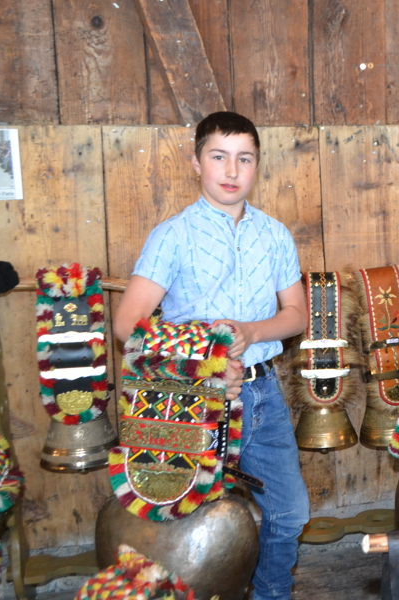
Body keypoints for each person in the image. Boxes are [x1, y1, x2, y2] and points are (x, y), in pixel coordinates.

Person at [114, 111, 309, 600]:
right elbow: (127, 323)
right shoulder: (172, 236)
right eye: (218, 156)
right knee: (193, 521)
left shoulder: (275, 234)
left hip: (263, 391)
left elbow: (296, 315)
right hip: (192, 398)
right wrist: (207, 351)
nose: (231, 170)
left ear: (257, 166)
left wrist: (250, 330)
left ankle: (270, 594)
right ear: (196, 162)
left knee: (289, 513)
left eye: (244, 159)